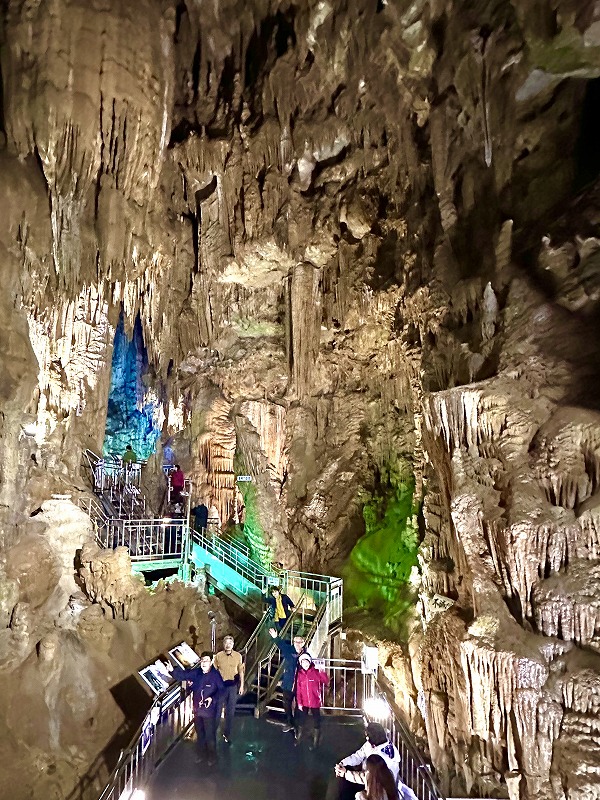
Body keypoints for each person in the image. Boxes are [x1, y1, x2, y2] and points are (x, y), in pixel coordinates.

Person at [172, 650, 224, 766]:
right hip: (197, 711)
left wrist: (212, 699)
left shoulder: (215, 675)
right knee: (200, 734)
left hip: (209, 712)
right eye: (202, 660)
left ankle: (212, 757)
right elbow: (183, 675)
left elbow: (222, 691)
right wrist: (172, 670)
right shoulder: (197, 673)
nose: (204, 663)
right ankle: (201, 754)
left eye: (206, 661)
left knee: (210, 735)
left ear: (211, 662)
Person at [331, 722, 401, 800]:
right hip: (371, 782)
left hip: (379, 789)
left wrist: (346, 774)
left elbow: (368, 777)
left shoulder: (383, 758)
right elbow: (358, 755)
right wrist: (343, 763)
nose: (366, 738)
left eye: (367, 736)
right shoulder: (375, 743)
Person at [268, 627, 307, 733]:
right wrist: (276, 637)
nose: (297, 644)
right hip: (288, 683)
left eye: (299, 642)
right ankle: (290, 722)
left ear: (303, 643)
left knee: (299, 705)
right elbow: (281, 645)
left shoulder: (306, 655)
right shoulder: (289, 650)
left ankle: (298, 725)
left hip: (300, 685)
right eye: (295, 642)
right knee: (287, 703)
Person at [214, 634, 245, 744]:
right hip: (221, 687)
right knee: (217, 710)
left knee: (230, 711)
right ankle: (213, 732)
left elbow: (241, 671)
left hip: (232, 686)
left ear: (233, 644)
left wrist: (241, 685)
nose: (228, 645)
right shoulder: (218, 656)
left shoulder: (238, 656)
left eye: (230, 643)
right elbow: (214, 671)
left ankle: (227, 734)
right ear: (223, 644)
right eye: (226, 643)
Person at [294, 653, 328, 749]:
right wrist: (299, 702)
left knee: (316, 720)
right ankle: (299, 737)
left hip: (315, 701)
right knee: (302, 719)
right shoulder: (300, 674)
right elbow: (298, 690)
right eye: (303, 662)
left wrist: (322, 672)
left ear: (309, 662)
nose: (305, 664)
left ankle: (315, 741)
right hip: (304, 702)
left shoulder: (315, 672)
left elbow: (325, 681)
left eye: (306, 662)